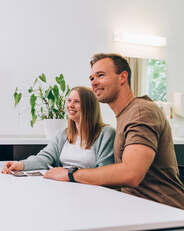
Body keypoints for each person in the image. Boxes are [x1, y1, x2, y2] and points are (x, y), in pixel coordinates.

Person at [73, 53, 183, 209]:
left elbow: (131, 174)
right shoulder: (126, 114)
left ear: (122, 77)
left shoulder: (140, 111)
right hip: (137, 207)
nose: (94, 83)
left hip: (164, 211)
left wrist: (71, 175)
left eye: (101, 75)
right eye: (91, 78)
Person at [2, 86, 116, 177]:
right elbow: (44, 158)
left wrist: (69, 175)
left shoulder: (106, 134)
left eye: (77, 101)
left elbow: (105, 174)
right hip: (64, 188)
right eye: (69, 100)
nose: (70, 105)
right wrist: (20, 164)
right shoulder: (62, 134)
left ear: (89, 107)